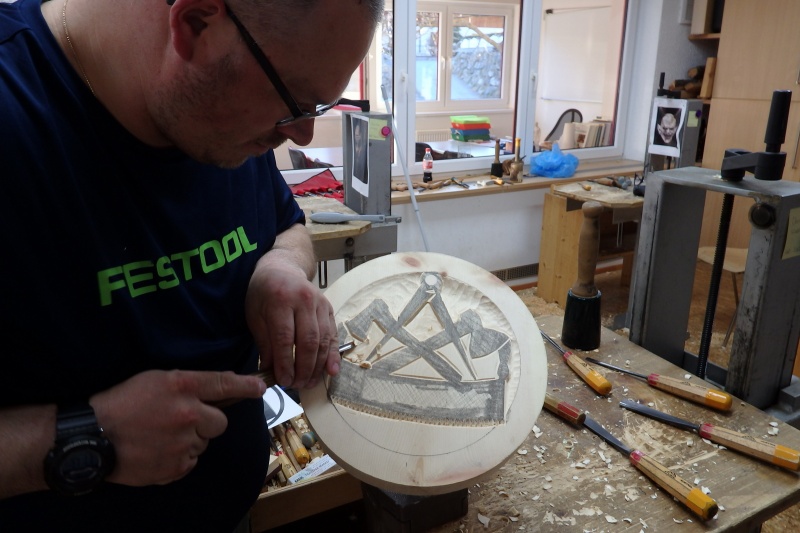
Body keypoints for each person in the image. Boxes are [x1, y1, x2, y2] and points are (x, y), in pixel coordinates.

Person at [0, 0, 383, 531]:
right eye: (295, 104)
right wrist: (84, 437)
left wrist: (279, 267)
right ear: (195, 23)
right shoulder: (16, 112)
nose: (302, 136)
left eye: (319, 108)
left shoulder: (213, 106)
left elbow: (285, 226)